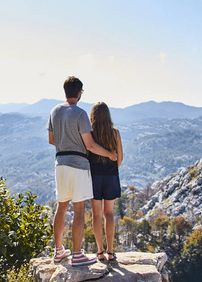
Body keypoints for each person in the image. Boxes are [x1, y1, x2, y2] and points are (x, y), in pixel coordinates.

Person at [47, 77, 118, 267]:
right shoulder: (80, 114)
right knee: (78, 210)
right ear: (79, 93)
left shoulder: (54, 111)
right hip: (77, 164)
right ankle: (77, 254)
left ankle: (59, 251)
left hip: (60, 163)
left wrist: (66, 142)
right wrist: (111, 155)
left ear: (65, 91)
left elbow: (51, 140)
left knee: (61, 208)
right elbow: (91, 145)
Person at [88, 102, 123, 263]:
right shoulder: (115, 133)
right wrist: (111, 167)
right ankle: (110, 251)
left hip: (94, 177)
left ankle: (100, 251)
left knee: (96, 214)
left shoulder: (90, 134)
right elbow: (120, 158)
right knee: (109, 213)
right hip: (110, 177)